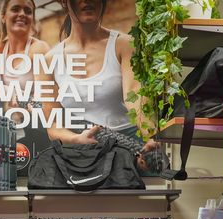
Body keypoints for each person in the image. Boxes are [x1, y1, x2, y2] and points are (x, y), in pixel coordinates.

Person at [36, 0, 163, 173]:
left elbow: (135, 96)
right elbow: (54, 127)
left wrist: (151, 137)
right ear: (65, 2)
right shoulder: (49, 60)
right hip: (83, 156)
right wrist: (76, 139)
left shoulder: (124, 44)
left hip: (131, 148)